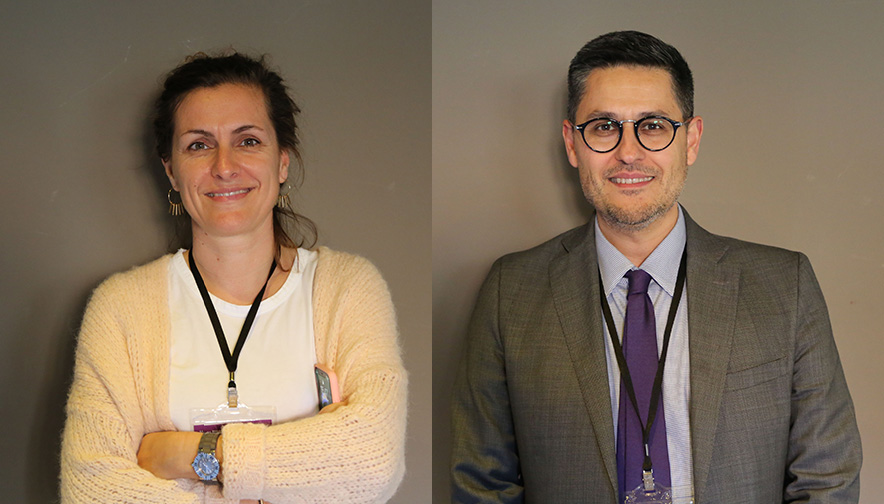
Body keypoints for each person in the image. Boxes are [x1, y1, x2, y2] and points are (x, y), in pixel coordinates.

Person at [450, 31, 861, 503]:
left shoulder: (785, 286)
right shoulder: (510, 292)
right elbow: (482, 483)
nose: (629, 152)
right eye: (604, 126)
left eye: (653, 125)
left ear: (691, 140)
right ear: (572, 143)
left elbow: (828, 476)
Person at [61, 53, 407, 503]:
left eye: (248, 141)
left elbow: (373, 461)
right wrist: (303, 468)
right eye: (198, 145)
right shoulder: (121, 309)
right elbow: (90, 488)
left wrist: (189, 454)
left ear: (282, 162)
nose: (224, 166)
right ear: (171, 170)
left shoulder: (348, 288)